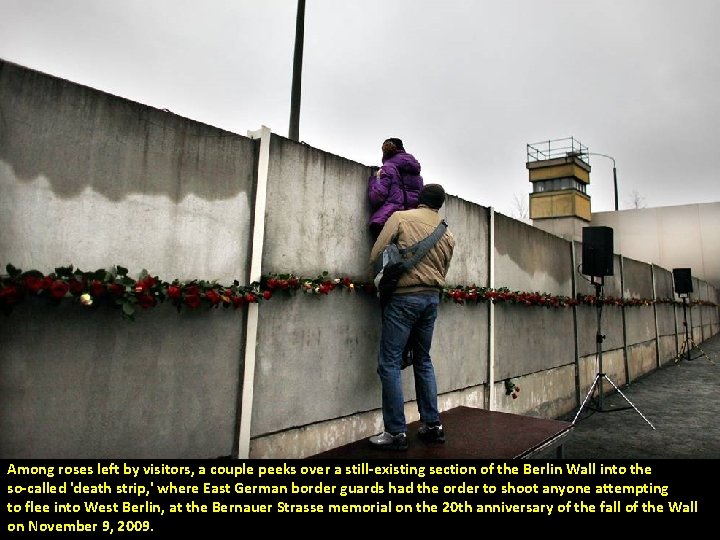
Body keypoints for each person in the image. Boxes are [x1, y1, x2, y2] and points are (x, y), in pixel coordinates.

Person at [367, 183, 455, 451]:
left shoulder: (401, 218)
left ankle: (395, 432)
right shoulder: (447, 234)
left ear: (419, 199)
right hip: (431, 299)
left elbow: (376, 255)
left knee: (390, 363)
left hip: (404, 299)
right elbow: (445, 268)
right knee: (423, 360)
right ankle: (432, 425)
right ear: (440, 205)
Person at [367, 138, 424, 241]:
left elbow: (377, 197)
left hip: (390, 218)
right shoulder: (417, 176)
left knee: (382, 253)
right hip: (412, 222)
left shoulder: (388, 168)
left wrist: (375, 179)